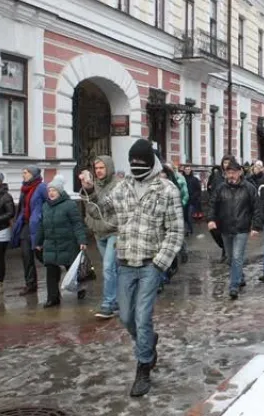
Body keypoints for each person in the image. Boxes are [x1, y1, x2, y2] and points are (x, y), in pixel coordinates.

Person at [86, 138, 185, 397]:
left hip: (151, 264)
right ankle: (148, 342)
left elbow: (176, 231)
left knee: (142, 317)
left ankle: (143, 367)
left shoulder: (167, 190)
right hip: (125, 261)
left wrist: (160, 262)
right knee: (126, 316)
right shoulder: (123, 187)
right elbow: (101, 211)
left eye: (141, 163)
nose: (136, 167)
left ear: (150, 163)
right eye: (133, 163)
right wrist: (89, 190)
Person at [208, 157, 261, 299]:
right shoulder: (220, 188)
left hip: (242, 228)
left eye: (233, 172)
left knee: (237, 257)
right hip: (225, 228)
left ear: (240, 173)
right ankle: (240, 276)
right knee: (231, 258)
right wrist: (211, 219)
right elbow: (213, 204)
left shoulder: (249, 188)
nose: (230, 175)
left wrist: (255, 226)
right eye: (228, 173)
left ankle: (234, 286)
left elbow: (256, 207)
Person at [36, 176, 87, 308]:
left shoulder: (69, 205)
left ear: (60, 192)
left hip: (68, 243)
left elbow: (77, 224)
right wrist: (38, 242)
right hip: (51, 244)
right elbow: (42, 225)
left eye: (54, 190)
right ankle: (53, 298)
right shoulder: (45, 206)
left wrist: (82, 240)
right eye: (49, 191)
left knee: (72, 268)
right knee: (51, 270)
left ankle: (80, 289)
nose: (51, 193)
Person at [81, 155, 120, 319]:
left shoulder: (118, 186)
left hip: (114, 232)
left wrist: (91, 194)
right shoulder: (93, 185)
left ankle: (107, 304)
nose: (98, 171)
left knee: (108, 267)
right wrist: (88, 191)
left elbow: (105, 208)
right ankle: (118, 301)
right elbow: (89, 209)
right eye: (96, 168)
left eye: (101, 168)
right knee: (113, 269)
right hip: (99, 233)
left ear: (109, 168)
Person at [11, 166, 47, 296]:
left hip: (38, 226)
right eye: (23, 172)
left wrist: (43, 218)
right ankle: (30, 284)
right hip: (26, 225)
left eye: (26, 173)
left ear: (33, 174)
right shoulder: (24, 188)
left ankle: (59, 270)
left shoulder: (42, 187)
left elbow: (50, 203)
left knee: (40, 254)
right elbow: (22, 206)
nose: (23, 175)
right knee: (26, 255)